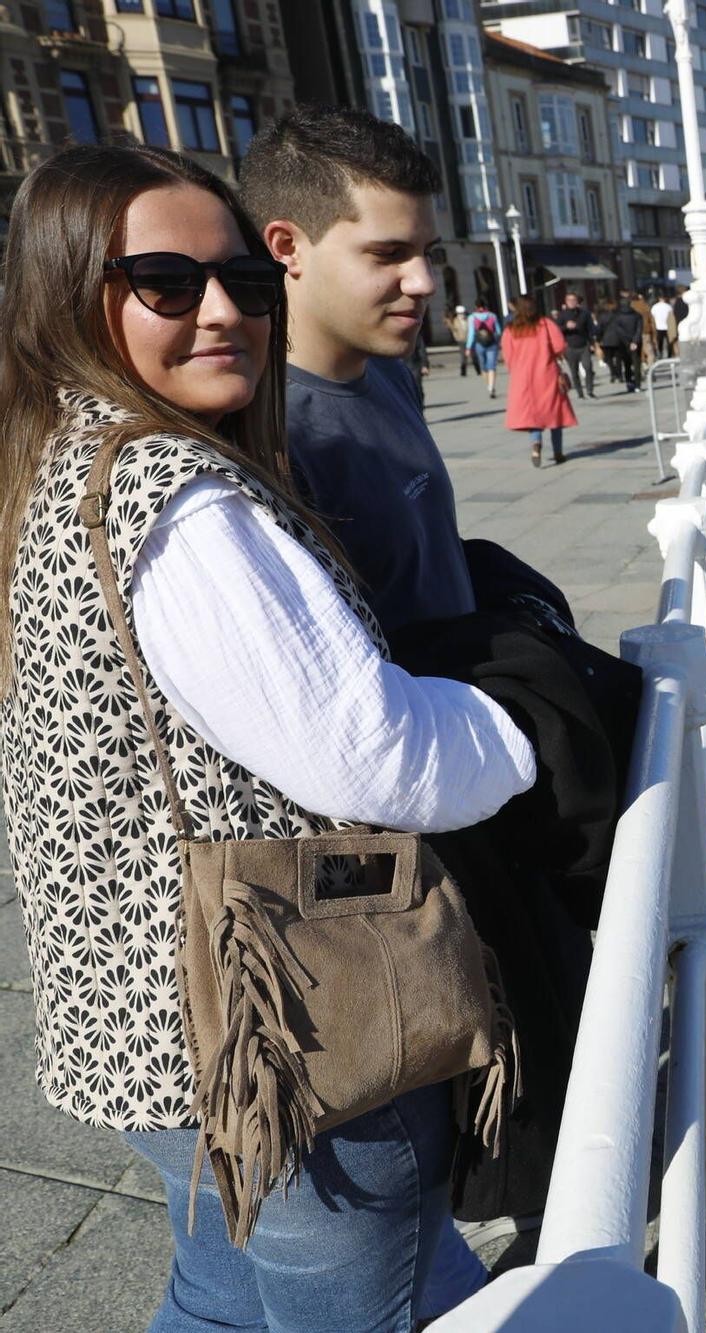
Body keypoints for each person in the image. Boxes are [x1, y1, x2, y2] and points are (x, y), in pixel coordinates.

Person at [0, 142, 536, 1332]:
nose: (225, 311)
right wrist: (532, 726)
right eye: (167, 283)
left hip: (142, 1031)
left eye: (242, 280)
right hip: (281, 1034)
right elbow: (376, 754)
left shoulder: (54, 458)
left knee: (220, 1296)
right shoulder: (178, 498)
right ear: (67, 287)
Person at [242, 105, 477, 638]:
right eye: (389, 254)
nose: (424, 282)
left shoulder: (392, 374)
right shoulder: (266, 433)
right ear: (287, 247)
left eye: (427, 254)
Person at [503, 294, 575, 467]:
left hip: (522, 378)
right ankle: (558, 452)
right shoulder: (546, 324)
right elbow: (559, 346)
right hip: (546, 373)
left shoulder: (511, 329)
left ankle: (536, 444)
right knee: (554, 413)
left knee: (533, 414)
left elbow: (508, 356)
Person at [553, 290, 596, 399]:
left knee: (588, 367)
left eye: (574, 300)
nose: (571, 302)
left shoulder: (584, 313)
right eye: (569, 300)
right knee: (574, 371)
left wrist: (592, 342)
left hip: (584, 344)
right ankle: (580, 393)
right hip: (570, 346)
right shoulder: (562, 315)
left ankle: (590, 390)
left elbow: (591, 328)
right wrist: (566, 327)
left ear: (577, 301)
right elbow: (556, 331)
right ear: (566, 302)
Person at [598, 297, 644, 393]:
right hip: (636, 343)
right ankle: (638, 384)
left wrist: (628, 341)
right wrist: (635, 341)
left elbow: (619, 330)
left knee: (627, 364)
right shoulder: (637, 315)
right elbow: (639, 329)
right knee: (636, 364)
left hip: (623, 343)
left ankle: (629, 383)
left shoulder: (617, 316)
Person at [466, 297, 500, 397]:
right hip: (492, 343)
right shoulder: (492, 316)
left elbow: (471, 333)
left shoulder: (472, 317)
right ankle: (492, 387)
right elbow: (498, 331)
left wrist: (468, 347)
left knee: (483, 367)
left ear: (476, 306)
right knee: (492, 366)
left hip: (479, 344)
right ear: (485, 305)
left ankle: (488, 385)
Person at [448, 304, 469, 376]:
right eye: (460, 313)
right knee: (463, 356)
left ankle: (478, 369)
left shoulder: (468, 319)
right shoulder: (455, 321)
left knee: (474, 356)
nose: (462, 315)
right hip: (461, 340)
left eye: (463, 313)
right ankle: (463, 371)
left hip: (469, 340)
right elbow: (454, 330)